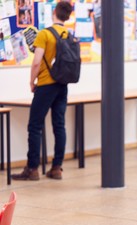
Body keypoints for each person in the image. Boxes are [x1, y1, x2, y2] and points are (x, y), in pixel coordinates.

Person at [12, 2, 73, 181]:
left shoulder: (45, 34)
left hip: (46, 84)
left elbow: (37, 62)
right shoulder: (69, 34)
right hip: (62, 84)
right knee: (59, 125)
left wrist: (32, 81)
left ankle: (32, 169)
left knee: (35, 126)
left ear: (54, 12)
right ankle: (57, 167)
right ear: (68, 16)